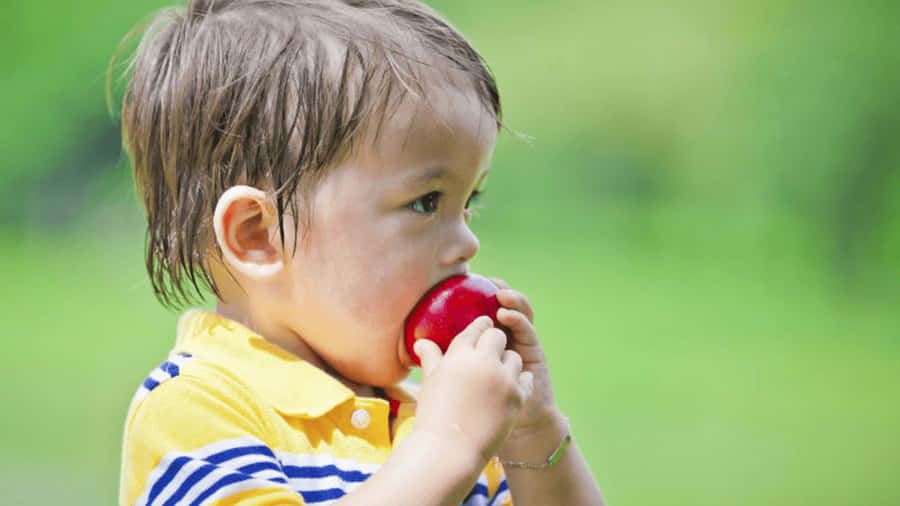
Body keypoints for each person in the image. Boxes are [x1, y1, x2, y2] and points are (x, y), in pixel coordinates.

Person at [112, 0, 605, 504]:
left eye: (468, 203)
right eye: (425, 202)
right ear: (258, 235)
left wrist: (533, 432)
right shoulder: (199, 408)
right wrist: (445, 451)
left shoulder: (440, 417)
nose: (468, 243)